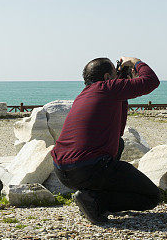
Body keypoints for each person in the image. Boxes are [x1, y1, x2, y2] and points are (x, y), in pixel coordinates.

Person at [52, 55, 160, 225]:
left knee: (119, 143)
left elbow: (118, 130)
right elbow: (151, 81)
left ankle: (90, 198)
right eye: (115, 74)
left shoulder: (86, 94)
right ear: (107, 77)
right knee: (151, 197)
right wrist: (135, 62)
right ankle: (95, 201)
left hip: (63, 171)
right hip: (88, 168)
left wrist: (123, 80)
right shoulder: (108, 88)